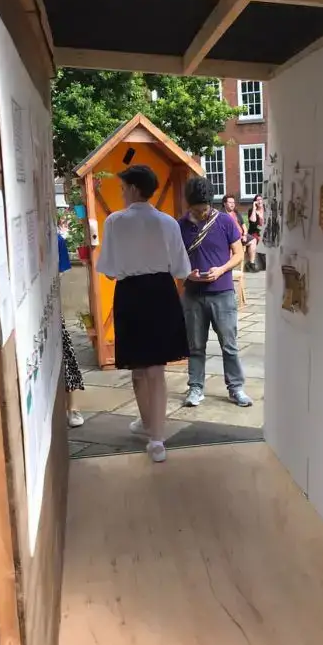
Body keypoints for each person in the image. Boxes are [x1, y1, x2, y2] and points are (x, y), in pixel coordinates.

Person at [96, 164, 191, 463]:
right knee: (156, 371)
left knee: (138, 366)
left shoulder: (115, 221)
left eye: (123, 188)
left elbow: (109, 270)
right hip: (162, 292)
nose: (122, 194)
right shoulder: (168, 223)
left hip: (132, 293)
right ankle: (157, 439)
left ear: (135, 188)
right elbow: (181, 269)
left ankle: (149, 423)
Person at [179, 177, 253, 409]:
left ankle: (236, 388)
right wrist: (186, 273)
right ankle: (196, 388)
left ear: (210, 203)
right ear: (188, 204)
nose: (200, 213)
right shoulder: (179, 225)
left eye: (203, 208)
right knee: (195, 345)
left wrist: (221, 270)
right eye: (195, 209)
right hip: (192, 293)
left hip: (221, 292)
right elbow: (173, 258)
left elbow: (239, 254)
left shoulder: (224, 222)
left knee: (229, 344)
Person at [57, 230, 85, 428]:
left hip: (49, 308)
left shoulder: (56, 240)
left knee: (65, 355)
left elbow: (58, 277)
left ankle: (72, 407)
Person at [244, 194, 265, 271]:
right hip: (255, 233)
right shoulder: (251, 211)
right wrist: (253, 208)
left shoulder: (267, 210)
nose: (259, 201)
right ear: (255, 202)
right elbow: (252, 221)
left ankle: (265, 264)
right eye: (257, 200)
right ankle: (261, 264)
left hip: (265, 232)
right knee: (259, 240)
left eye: (261, 199)